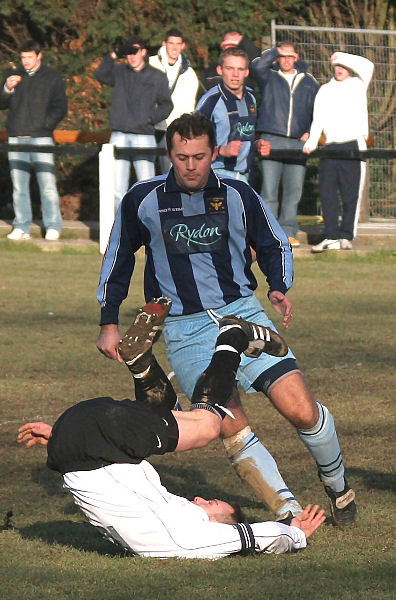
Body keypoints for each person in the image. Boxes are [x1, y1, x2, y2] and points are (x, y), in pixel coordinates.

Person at [96, 113, 357, 528]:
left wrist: (277, 285)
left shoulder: (238, 193)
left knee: (301, 409)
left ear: (214, 153)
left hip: (244, 314)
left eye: (199, 156)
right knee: (229, 424)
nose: (191, 165)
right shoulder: (142, 199)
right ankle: (289, 514)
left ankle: (338, 485)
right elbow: (117, 259)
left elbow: (273, 241)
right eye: (181, 157)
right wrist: (109, 320)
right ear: (170, 155)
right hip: (185, 331)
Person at [18, 298, 325, 559]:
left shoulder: (188, 538)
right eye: (211, 500)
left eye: (212, 503)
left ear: (219, 529)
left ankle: (232, 336)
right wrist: (62, 437)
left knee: (207, 427)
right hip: (85, 440)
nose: (200, 499)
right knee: (174, 416)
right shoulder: (172, 517)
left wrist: (293, 534)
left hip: (93, 440)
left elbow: (252, 536)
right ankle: (144, 364)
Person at [303, 52, 374, 253]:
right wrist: (312, 141)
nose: (340, 69)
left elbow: (367, 65)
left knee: (351, 195)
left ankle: (345, 236)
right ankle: (331, 235)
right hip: (331, 147)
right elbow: (318, 119)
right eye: (337, 66)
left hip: (353, 145)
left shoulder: (359, 84)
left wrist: (341, 56)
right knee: (327, 193)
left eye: (344, 66)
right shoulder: (325, 90)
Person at [251, 42, 319, 247]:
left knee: (293, 190)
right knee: (269, 190)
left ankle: (288, 232)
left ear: (297, 57)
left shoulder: (309, 82)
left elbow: (318, 110)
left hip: (298, 141)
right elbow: (256, 67)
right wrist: (274, 51)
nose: (287, 60)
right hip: (272, 138)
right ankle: (268, 233)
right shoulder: (269, 76)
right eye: (283, 56)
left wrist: (311, 131)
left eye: (290, 56)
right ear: (278, 58)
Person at [94, 35, 173, 209]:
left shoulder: (156, 76)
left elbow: (167, 104)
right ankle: (121, 231)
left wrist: (150, 118)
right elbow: (99, 74)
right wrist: (115, 54)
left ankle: (148, 232)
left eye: (134, 51)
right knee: (117, 190)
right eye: (127, 52)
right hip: (119, 134)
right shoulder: (119, 72)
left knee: (147, 189)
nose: (131, 56)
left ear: (143, 52)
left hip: (144, 136)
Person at [0, 39, 67, 241]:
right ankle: (22, 226)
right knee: (19, 186)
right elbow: (1, 103)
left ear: (39, 56)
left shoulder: (52, 77)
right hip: (16, 137)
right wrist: (6, 89)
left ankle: (53, 225)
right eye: (23, 57)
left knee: (47, 185)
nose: (26, 61)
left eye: (30, 57)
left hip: (42, 138)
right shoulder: (12, 76)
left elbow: (60, 106)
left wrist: (46, 125)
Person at [196, 48, 270, 183]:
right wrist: (220, 151)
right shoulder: (210, 101)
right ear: (220, 70)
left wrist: (258, 144)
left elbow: (246, 134)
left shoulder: (251, 98)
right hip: (215, 174)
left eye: (240, 69)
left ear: (246, 72)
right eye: (230, 68)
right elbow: (193, 143)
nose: (235, 74)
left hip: (246, 175)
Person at [149, 28, 199, 174]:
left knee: (170, 174)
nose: (174, 47)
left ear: (183, 46)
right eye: (171, 43)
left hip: (172, 130)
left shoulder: (189, 74)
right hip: (147, 127)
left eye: (178, 44)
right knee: (145, 175)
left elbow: (189, 107)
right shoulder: (150, 64)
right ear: (164, 44)